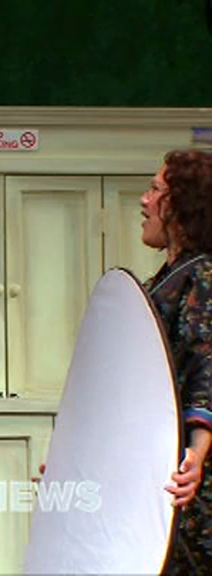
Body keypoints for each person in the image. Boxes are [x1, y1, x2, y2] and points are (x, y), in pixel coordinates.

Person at [139, 149, 211, 575]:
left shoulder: (203, 276)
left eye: (155, 190)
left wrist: (197, 453)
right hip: (157, 476)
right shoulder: (164, 280)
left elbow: (207, 364)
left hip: (185, 489)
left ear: (182, 204)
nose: (144, 200)